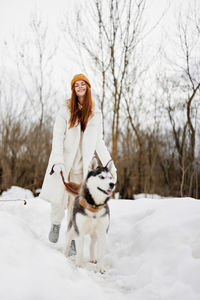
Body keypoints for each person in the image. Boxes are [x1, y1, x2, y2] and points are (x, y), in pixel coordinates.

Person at [40, 73, 117, 254]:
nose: (80, 87)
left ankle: (72, 237)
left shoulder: (95, 112)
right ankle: (56, 223)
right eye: (77, 85)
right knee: (59, 199)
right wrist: (58, 160)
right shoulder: (65, 108)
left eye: (83, 84)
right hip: (63, 162)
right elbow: (57, 137)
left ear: (88, 87)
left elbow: (99, 141)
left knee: (75, 203)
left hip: (82, 166)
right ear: (73, 89)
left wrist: (108, 162)